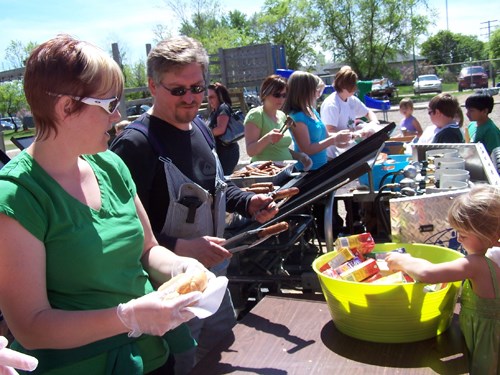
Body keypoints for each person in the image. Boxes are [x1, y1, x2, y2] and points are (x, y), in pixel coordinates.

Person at [0, 35, 215, 374]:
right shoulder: (18, 195)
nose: (117, 116)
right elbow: (30, 325)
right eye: (109, 103)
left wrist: (179, 267)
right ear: (66, 107)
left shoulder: (110, 165)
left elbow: (148, 249)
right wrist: (126, 317)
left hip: (154, 355)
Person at [110, 36, 278, 374]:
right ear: (152, 86)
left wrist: (248, 203)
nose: (190, 98)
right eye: (178, 90)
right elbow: (117, 230)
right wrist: (180, 246)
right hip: (168, 292)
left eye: (197, 88)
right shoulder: (135, 145)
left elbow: (217, 186)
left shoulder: (199, 127)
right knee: (183, 364)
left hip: (214, 279)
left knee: (221, 347)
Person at [385, 184, 500, 375]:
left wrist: (403, 260)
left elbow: (427, 274)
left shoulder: (477, 264)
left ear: (492, 235)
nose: (460, 240)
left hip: (486, 342)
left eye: (463, 235)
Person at [282, 70, 352, 171]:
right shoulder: (296, 117)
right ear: (304, 91)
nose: (318, 94)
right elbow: (307, 149)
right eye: (315, 90)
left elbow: (325, 137)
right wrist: (334, 139)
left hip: (321, 165)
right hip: (308, 170)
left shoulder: (311, 110)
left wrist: (343, 138)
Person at [243, 74, 311, 169]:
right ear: (265, 94)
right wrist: (267, 138)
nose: (281, 99)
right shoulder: (256, 115)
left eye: (284, 95)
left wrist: (299, 156)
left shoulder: (281, 115)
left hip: (286, 170)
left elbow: (278, 148)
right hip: (266, 172)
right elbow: (250, 151)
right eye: (276, 95)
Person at [320, 66, 382, 159]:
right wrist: (354, 134)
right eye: (354, 85)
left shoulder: (351, 99)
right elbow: (329, 131)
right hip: (335, 155)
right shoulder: (332, 104)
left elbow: (368, 112)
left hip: (348, 148)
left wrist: (373, 124)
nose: (356, 87)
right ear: (345, 86)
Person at [207, 82, 239, 175]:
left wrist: (205, 133)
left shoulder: (223, 108)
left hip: (227, 152)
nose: (209, 100)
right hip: (223, 152)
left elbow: (221, 129)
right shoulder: (215, 110)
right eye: (208, 97)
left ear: (220, 96)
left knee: (225, 180)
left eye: (212, 97)